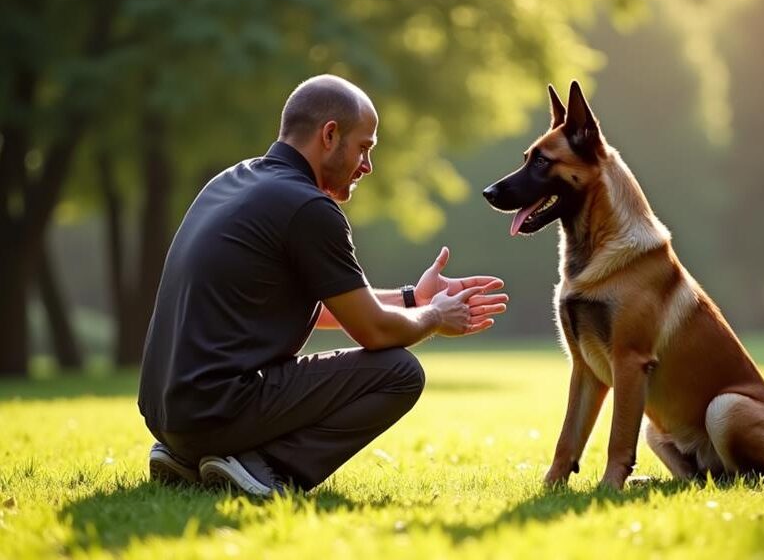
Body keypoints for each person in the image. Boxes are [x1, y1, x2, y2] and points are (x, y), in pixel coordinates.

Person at [138, 74, 508, 497]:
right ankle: (260, 468)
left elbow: (328, 304)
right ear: (330, 135)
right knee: (398, 372)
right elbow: (374, 331)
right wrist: (436, 315)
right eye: (364, 147)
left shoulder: (232, 182)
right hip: (216, 412)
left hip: (168, 415)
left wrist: (413, 299)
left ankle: (189, 455)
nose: (367, 165)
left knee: (384, 358)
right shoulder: (308, 207)